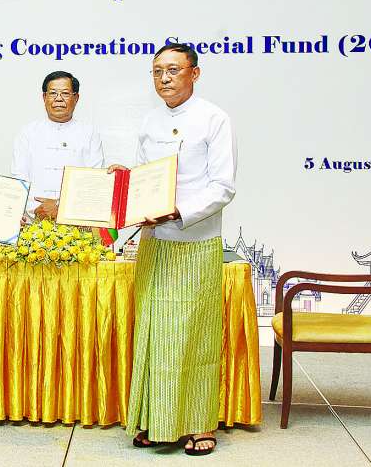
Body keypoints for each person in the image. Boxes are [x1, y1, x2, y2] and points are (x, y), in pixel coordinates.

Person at [111, 43, 237, 456]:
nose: (164, 78)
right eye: (157, 71)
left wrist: (178, 212)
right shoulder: (150, 121)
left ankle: (199, 424)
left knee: (192, 336)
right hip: (155, 244)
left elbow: (223, 187)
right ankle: (155, 419)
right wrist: (124, 180)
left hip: (194, 241)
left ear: (194, 73)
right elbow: (145, 179)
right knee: (155, 333)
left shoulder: (214, 119)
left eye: (173, 70)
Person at [11, 70, 104, 220]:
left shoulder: (89, 133)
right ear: (44, 97)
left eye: (65, 93)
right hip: (34, 220)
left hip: (76, 220)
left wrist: (60, 207)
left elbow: (94, 180)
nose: (58, 99)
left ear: (76, 98)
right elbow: (19, 179)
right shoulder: (27, 133)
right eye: (53, 93)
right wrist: (37, 210)